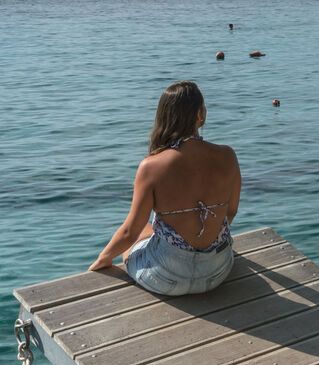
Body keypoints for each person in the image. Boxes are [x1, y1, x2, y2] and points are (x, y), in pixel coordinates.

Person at [89, 80, 242, 295]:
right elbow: (230, 212)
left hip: (165, 278)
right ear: (200, 115)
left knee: (141, 231)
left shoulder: (151, 166)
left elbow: (129, 232)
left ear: (163, 116)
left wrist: (101, 260)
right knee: (152, 229)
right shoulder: (227, 155)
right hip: (217, 272)